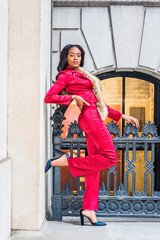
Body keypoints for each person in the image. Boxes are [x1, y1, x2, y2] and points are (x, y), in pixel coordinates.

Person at [44, 44, 139, 226]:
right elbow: (49, 97)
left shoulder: (83, 73)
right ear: (66, 57)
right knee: (111, 157)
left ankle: (89, 208)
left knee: (93, 166)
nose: (75, 58)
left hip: (94, 115)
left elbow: (99, 104)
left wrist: (123, 116)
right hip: (90, 118)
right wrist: (73, 98)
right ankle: (65, 161)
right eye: (72, 55)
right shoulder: (65, 76)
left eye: (78, 55)